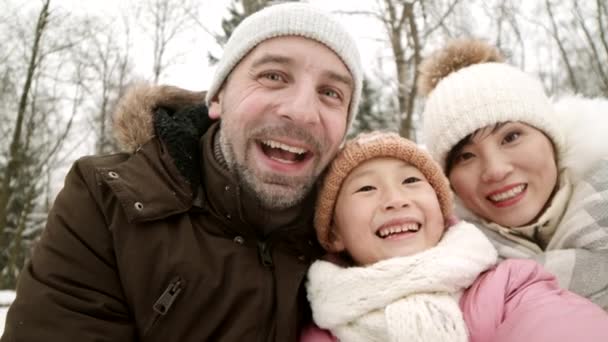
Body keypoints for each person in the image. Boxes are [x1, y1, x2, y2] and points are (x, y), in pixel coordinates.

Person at [1, 3, 363, 341]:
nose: (302, 111)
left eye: (331, 93)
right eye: (273, 76)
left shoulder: (365, 228)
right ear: (218, 97)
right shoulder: (107, 201)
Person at [300, 131, 608, 342]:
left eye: (410, 180)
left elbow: (558, 324)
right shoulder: (325, 327)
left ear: (442, 210)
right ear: (334, 232)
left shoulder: (508, 285)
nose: (396, 199)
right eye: (366, 188)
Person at [419, 38, 608, 310]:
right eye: (466, 156)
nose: (495, 171)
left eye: (511, 137)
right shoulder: (448, 277)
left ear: (552, 138)